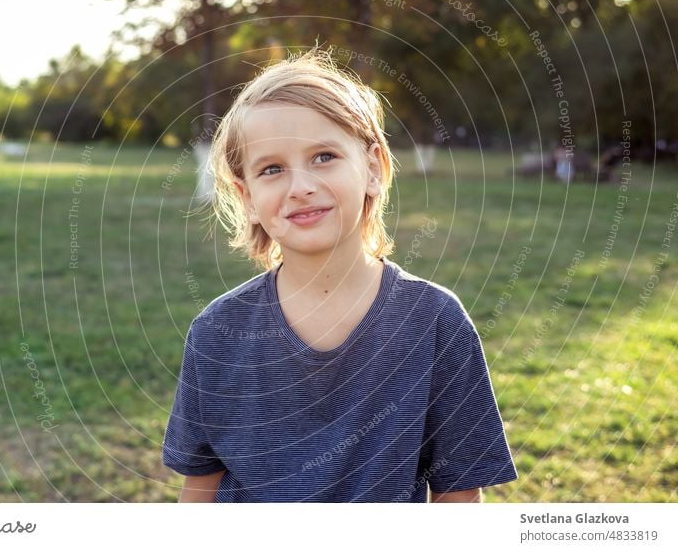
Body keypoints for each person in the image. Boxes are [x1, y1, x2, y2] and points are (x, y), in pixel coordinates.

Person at [162, 47, 517, 502]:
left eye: (324, 156)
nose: (301, 186)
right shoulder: (217, 332)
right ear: (246, 195)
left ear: (372, 168)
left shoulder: (435, 323)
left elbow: (459, 497)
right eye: (272, 169)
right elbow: (200, 490)